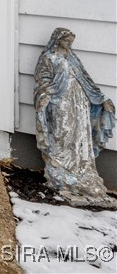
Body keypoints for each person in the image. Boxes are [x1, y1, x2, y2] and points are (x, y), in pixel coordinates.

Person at [34, 27, 116, 208]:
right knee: (62, 132)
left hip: (79, 101)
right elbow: (42, 79)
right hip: (59, 100)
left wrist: (101, 99)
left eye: (71, 42)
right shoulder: (48, 58)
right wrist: (45, 94)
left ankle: (81, 170)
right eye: (66, 41)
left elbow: (86, 79)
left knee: (80, 134)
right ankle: (61, 168)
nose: (69, 45)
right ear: (57, 40)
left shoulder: (72, 57)